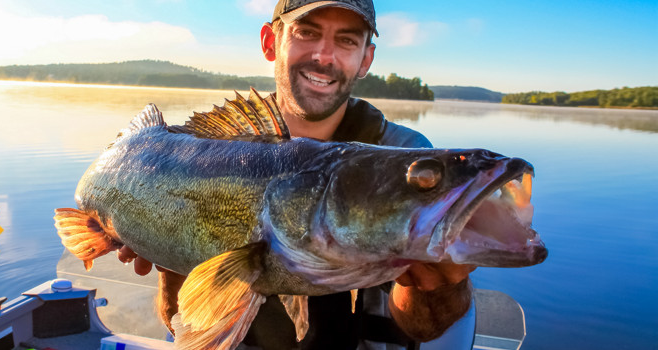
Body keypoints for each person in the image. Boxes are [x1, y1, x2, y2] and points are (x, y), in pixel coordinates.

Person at [118, 0, 476, 348]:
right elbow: (180, 320)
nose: (324, 56)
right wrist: (166, 252)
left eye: (347, 40)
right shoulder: (202, 149)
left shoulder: (401, 158)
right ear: (271, 42)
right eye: (307, 32)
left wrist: (444, 284)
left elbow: (424, 327)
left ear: (365, 58)